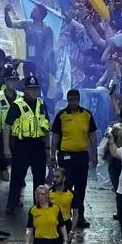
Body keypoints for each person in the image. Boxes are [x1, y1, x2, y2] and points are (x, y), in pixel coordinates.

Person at [3, 74, 50, 215]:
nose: (34, 92)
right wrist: (6, 148)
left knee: (39, 178)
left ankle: (39, 205)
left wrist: (47, 148)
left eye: (36, 89)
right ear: (25, 91)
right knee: (17, 176)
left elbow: (46, 126)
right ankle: (12, 203)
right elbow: (7, 127)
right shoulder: (17, 105)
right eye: (31, 89)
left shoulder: (41, 104)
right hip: (21, 145)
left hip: (38, 145)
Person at [50, 89, 96, 228]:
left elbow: (92, 135)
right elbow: (56, 136)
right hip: (66, 155)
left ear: (79, 100)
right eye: (71, 99)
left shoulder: (86, 115)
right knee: (66, 186)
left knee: (81, 188)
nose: (73, 102)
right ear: (68, 100)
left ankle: (80, 216)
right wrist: (52, 155)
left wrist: (95, 154)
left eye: (76, 99)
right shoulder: (62, 115)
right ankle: (64, 216)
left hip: (82, 156)